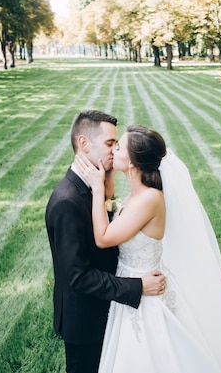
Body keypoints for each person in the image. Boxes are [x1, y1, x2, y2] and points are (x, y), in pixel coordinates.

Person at [75, 125, 221, 372]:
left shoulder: (150, 198)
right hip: (131, 285)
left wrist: (97, 189)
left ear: (131, 162)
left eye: (118, 147)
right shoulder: (136, 194)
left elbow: (104, 238)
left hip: (146, 292)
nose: (113, 151)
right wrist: (106, 185)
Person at [45, 111, 166, 373]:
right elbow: (77, 277)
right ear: (85, 144)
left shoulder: (92, 184)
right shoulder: (67, 201)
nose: (114, 151)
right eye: (110, 144)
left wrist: (105, 189)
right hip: (85, 321)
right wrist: (137, 286)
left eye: (116, 145)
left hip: (108, 310)